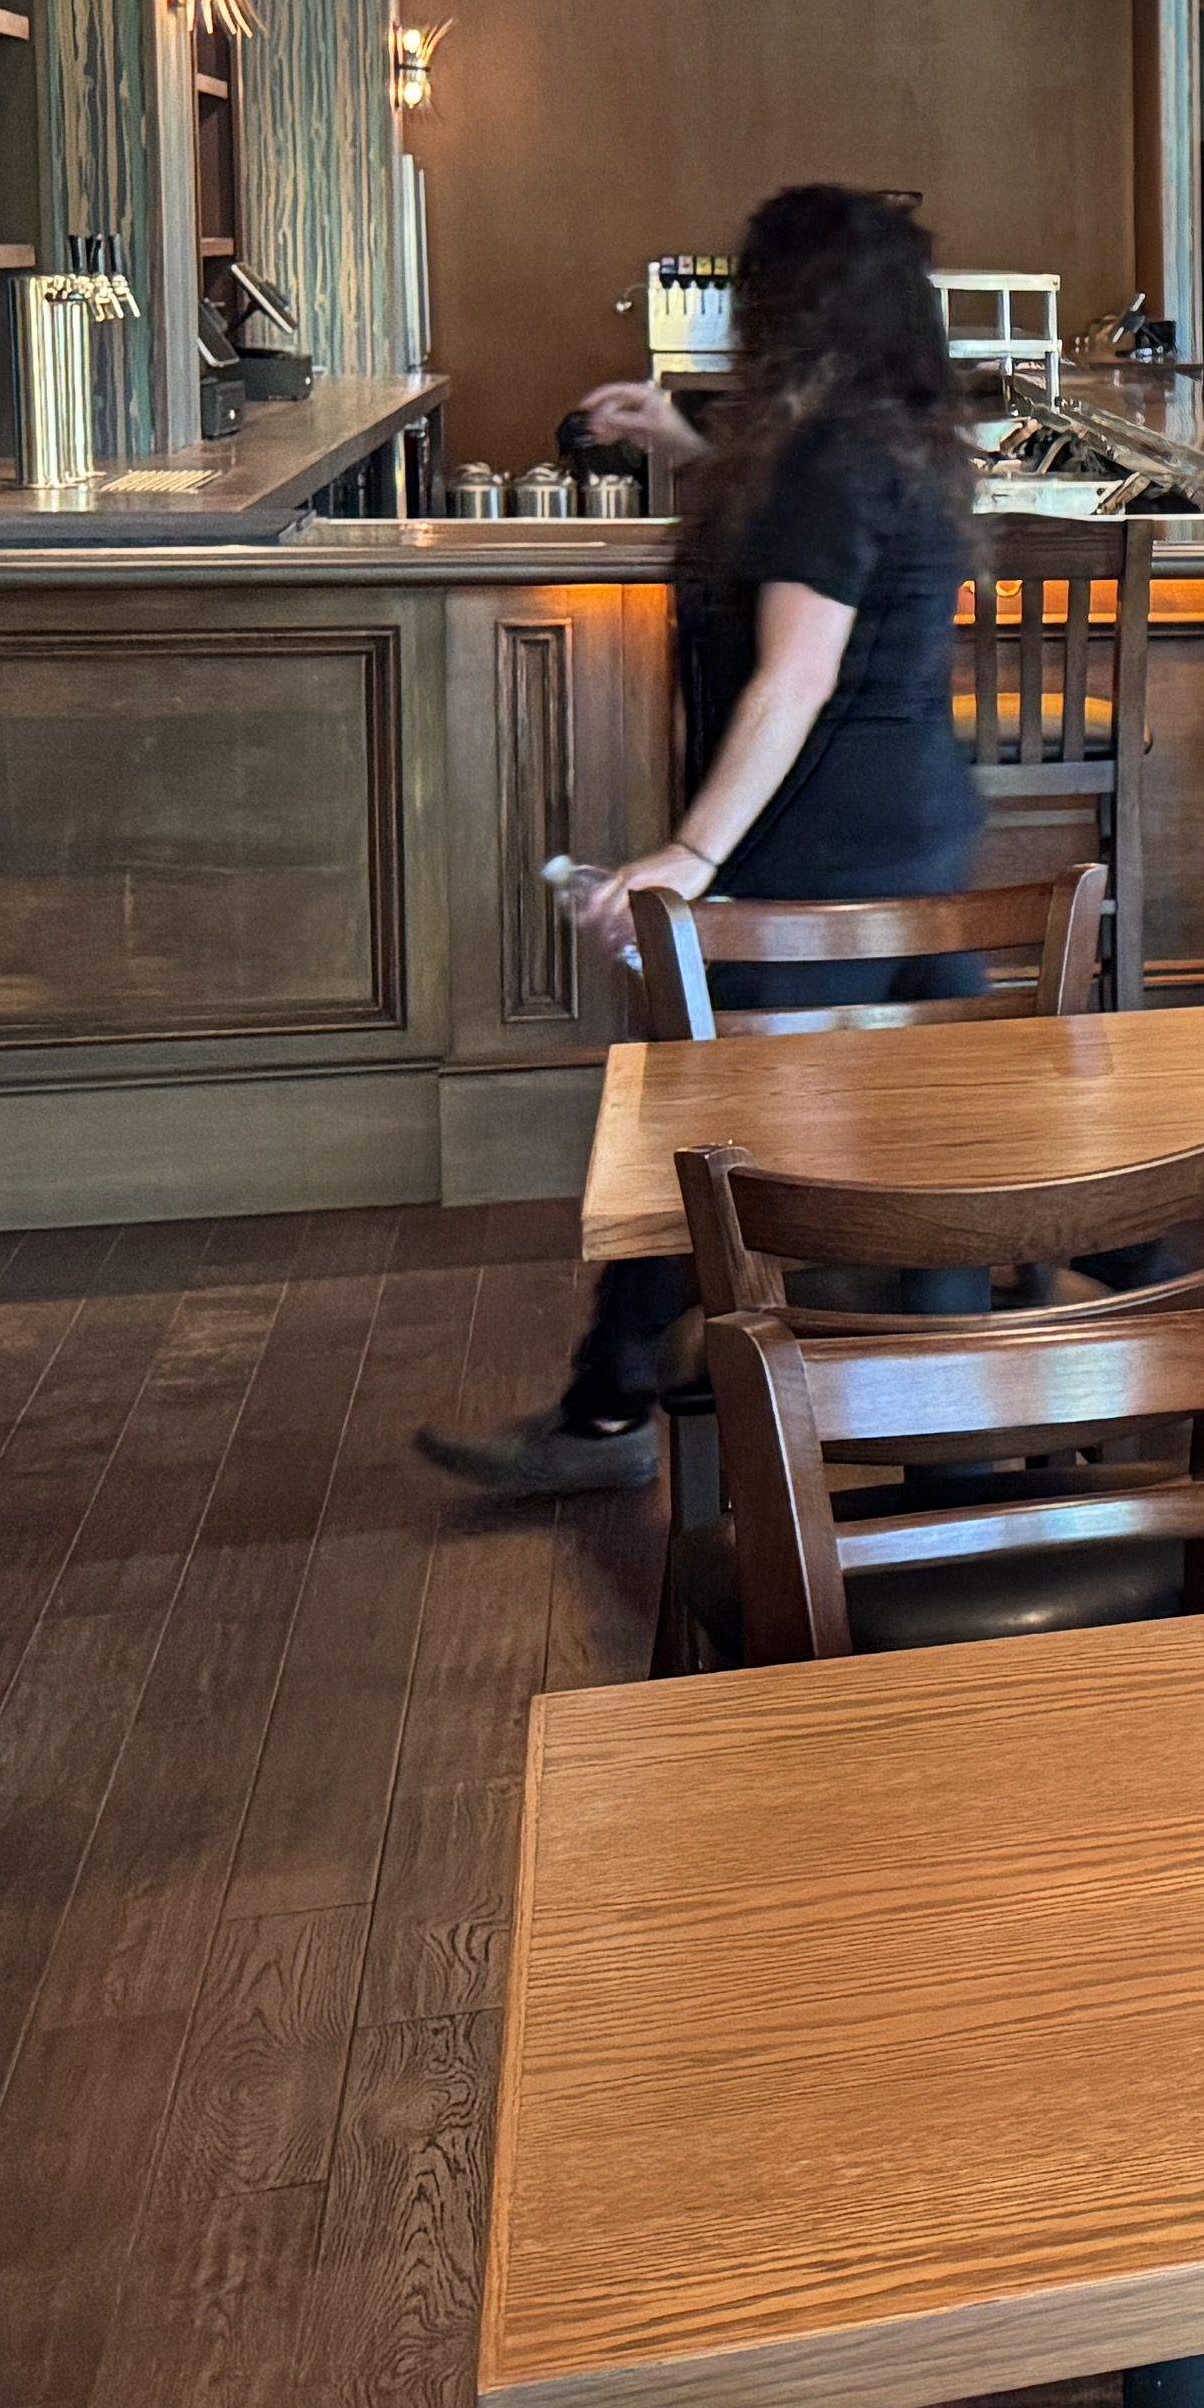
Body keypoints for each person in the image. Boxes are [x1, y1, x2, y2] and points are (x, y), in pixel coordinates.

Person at [419, 184, 995, 1494]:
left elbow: (792, 680)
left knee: (704, 1135)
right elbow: (815, 575)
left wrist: (691, 858)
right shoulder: (888, 437)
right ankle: (986, 1420)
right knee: (938, 1147)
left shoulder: (827, 459)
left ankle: (617, 1416)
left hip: (819, 857)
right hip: (915, 833)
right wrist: (679, 436)